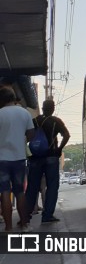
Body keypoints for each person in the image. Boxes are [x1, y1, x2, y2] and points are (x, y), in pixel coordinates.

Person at [25, 99, 70, 224]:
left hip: (35, 158)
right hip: (51, 157)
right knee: (52, 186)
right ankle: (47, 215)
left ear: (43, 108)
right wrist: (59, 148)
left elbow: (27, 136)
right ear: (53, 108)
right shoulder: (56, 121)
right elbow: (66, 135)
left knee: (32, 187)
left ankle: (26, 216)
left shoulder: (35, 121)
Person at [0, 87, 35, 231]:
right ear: (13, 98)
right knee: (20, 192)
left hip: (1, 160)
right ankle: (25, 224)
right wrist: (21, 141)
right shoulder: (24, 113)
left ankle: (8, 228)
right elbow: (31, 134)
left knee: (5, 192)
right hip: (19, 159)